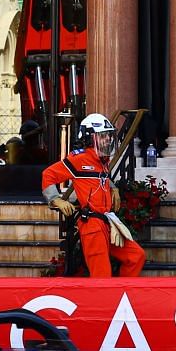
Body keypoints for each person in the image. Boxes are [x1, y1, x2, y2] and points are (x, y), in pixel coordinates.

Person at [41, 112, 145, 277]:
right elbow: (48, 175)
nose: (109, 140)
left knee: (136, 256)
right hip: (92, 224)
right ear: (90, 139)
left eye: (109, 136)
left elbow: (98, 178)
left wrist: (114, 187)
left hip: (108, 222)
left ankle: (121, 295)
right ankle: (107, 301)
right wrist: (56, 200)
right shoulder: (79, 159)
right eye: (103, 136)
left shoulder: (102, 161)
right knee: (101, 275)